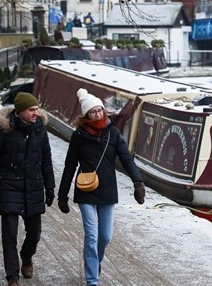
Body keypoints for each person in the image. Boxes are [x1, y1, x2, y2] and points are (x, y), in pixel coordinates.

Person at [57, 88, 145, 286]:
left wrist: (138, 182)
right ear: (86, 115)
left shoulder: (113, 133)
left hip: (107, 190)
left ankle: (96, 261)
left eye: (99, 110)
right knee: (91, 235)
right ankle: (92, 280)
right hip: (85, 190)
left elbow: (126, 159)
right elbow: (70, 165)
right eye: (93, 112)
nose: (97, 114)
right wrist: (62, 194)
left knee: (105, 236)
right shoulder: (79, 136)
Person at [0, 92, 55, 286]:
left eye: (37, 109)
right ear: (20, 111)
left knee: (34, 233)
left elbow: (46, 159)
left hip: (33, 185)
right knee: (9, 235)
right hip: (9, 186)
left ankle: (27, 255)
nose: (36, 113)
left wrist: (50, 187)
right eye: (31, 110)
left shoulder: (39, 128)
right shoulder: (2, 131)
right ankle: (12, 277)